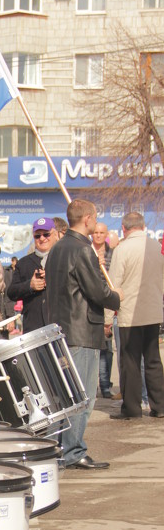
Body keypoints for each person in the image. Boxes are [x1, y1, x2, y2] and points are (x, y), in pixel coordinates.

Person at [45, 199, 122, 469]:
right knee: (81, 397)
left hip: (61, 329)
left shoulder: (57, 249)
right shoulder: (82, 249)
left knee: (66, 396)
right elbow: (97, 291)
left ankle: (64, 449)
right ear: (88, 219)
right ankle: (73, 452)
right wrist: (116, 297)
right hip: (81, 331)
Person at [108, 211, 164, 420]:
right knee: (153, 360)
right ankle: (159, 406)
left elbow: (114, 285)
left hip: (129, 313)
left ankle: (132, 408)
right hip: (152, 311)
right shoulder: (157, 247)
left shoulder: (122, 250)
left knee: (130, 362)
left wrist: (106, 319)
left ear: (124, 228)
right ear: (143, 226)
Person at [7, 217, 58, 333]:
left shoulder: (63, 260)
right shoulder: (24, 263)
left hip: (59, 326)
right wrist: (30, 285)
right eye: (37, 236)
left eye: (46, 234)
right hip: (34, 328)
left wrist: (51, 278)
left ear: (55, 235)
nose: (42, 239)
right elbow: (11, 292)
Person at [92, 222, 115, 398]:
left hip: (108, 303)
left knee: (107, 349)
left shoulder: (112, 254)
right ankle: (96, 385)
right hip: (92, 304)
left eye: (101, 233)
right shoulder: (86, 250)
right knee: (96, 350)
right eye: (96, 232)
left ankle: (106, 384)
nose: (98, 235)